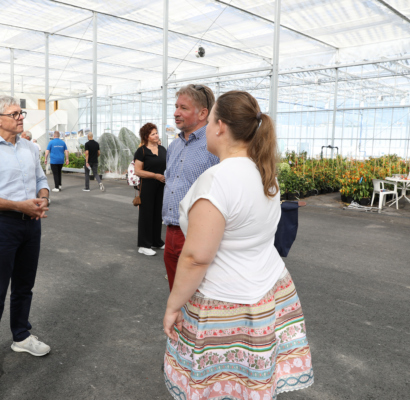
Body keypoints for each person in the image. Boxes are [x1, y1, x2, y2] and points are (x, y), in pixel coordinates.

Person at [163, 91, 314, 400]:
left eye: (209, 121)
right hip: (268, 293)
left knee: (217, 387)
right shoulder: (263, 172)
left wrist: (173, 306)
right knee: (248, 386)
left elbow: (196, 258)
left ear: (219, 126)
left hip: (225, 303)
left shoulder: (217, 179)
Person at [0, 95, 51, 380]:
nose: (21, 117)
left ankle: (21, 336)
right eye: (15, 113)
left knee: (25, 285)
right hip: (1, 225)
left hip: (30, 225)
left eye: (21, 112)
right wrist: (18, 206)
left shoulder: (29, 147)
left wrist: (43, 198)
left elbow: (41, 180)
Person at [162, 84, 219, 290]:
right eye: (176, 107)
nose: (176, 113)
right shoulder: (174, 145)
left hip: (198, 233)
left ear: (203, 113)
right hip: (171, 230)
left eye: (183, 108)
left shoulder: (214, 145)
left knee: (200, 293)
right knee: (176, 292)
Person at [133, 123, 166, 256]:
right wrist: (155, 176)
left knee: (158, 213)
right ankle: (143, 245)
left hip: (161, 185)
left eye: (156, 132)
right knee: (146, 214)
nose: (156, 135)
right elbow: (138, 171)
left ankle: (156, 241)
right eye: (153, 134)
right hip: (148, 186)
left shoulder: (163, 149)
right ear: (146, 136)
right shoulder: (141, 151)